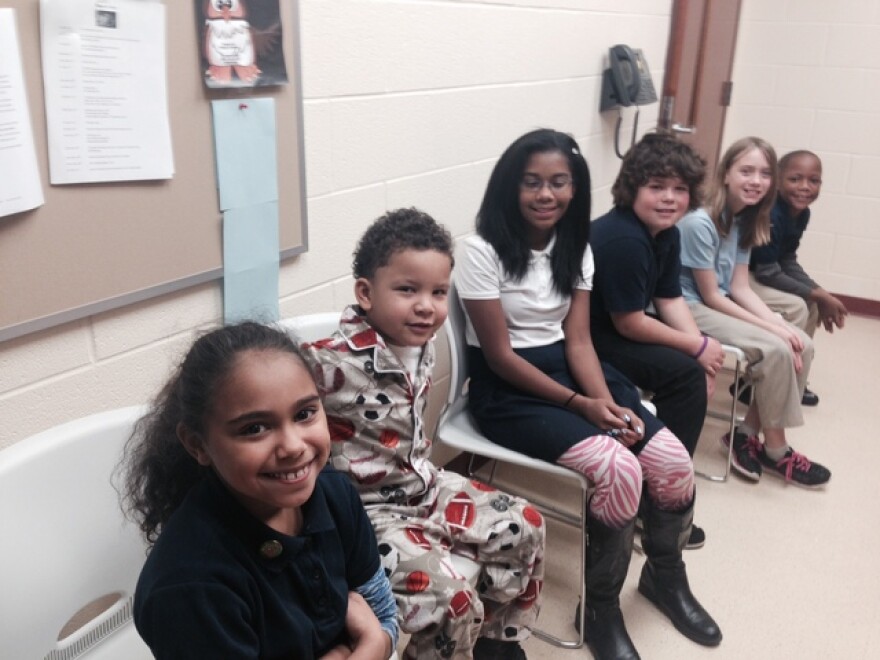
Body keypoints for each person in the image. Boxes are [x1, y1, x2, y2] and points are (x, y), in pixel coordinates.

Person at [455, 128, 721, 660]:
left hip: (573, 370)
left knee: (671, 462)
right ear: (509, 185)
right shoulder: (478, 250)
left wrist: (607, 405)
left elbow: (578, 341)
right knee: (619, 470)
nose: (546, 194)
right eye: (531, 182)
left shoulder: (575, 248)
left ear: (575, 188)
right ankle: (600, 609)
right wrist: (581, 406)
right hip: (508, 388)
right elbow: (501, 357)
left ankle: (664, 576)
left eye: (559, 182)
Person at [300, 208, 545, 660]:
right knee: (450, 598)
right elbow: (273, 378)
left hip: (423, 485)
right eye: (407, 289)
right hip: (367, 514)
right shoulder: (328, 361)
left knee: (526, 525)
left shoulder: (420, 342)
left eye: (438, 292)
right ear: (365, 293)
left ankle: (494, 642)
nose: (426, 306)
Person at [118, 322, 398, 659]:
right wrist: (371, 647)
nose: (293, 446)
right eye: (254, 428)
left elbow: (385, 615)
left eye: (305, 414)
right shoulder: (189, 587)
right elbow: (377, 634)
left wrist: (380, 640)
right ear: (197, 444)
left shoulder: (335, 495)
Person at [589, 132, 723, 550]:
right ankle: (659, 502)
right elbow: (629, 323)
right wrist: (695, 350)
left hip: (616, 327)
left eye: (679, 189)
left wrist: (703, 353)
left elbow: (669, 299)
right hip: (588, 339)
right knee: (684, 376)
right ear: (632, 189)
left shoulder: (667, 234)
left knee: (691, 367)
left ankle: (662, 488)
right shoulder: (623, 238)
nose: (669, 198)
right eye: (656, 186)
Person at [677, 136, 832, 488]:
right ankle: (776, 451)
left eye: (764, 173)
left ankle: (746, 434)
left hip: (716, 299)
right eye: (746, 171)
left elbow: (740, 287)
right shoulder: (701, 222)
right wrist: (774, 330)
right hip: (688, 306)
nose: (756, 181)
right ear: (726, 174)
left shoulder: (744, 219)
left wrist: (778, 323)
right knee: (776, 347)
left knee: (802, 343)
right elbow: (711, 297)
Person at [748, 149, 849, 406]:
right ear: (777, 180)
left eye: (814, 180)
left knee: (811, 302)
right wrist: (818, 294)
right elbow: (767, 272)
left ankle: (794, 378)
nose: (805, 187)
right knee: (796, 305)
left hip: (760, 273)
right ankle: (758, 383)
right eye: (795, 179)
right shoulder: (771, 213)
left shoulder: (801, 213)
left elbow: (787, 260)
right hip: (739, 276)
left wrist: (819, 292)